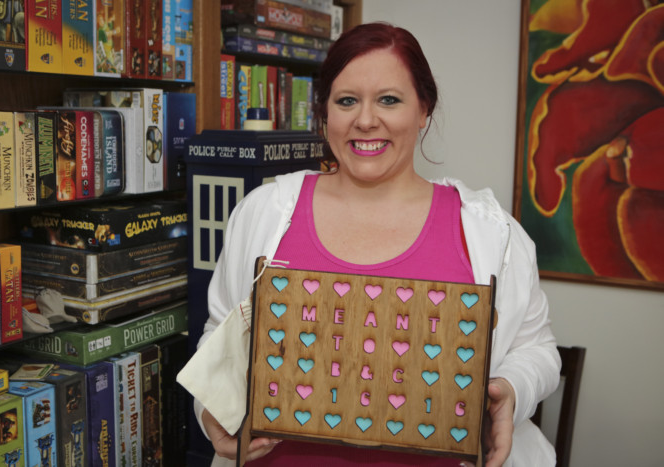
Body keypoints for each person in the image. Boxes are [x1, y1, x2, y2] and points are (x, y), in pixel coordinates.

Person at [193, 22, 560, 467]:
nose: (365, 120)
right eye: (347, 101)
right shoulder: (262, 212)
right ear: (325, 112)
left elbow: (537, 350)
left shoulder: (490, 232)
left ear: (424, 109)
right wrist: (210, 407)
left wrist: (512, 390)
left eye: (389, 99)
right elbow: (220, 337)